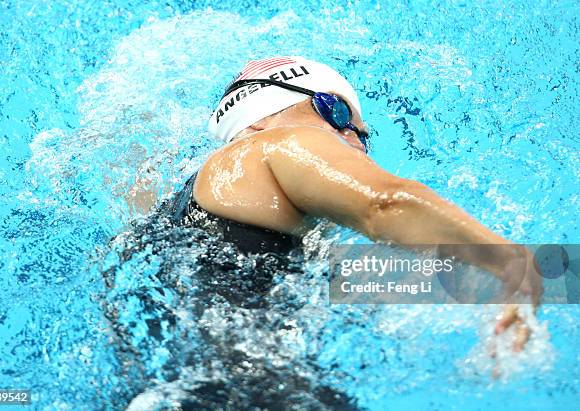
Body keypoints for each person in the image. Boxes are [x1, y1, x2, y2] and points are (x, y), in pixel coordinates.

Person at [111, 56, 543, 409]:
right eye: (335, 112)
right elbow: (385, 203)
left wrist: (547, 276)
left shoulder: (200, 209)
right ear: (259, 116)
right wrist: (512, 262)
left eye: (364, 138)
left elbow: (412, 281)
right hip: (255, 393)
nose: (352, 141)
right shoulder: (271, 146)